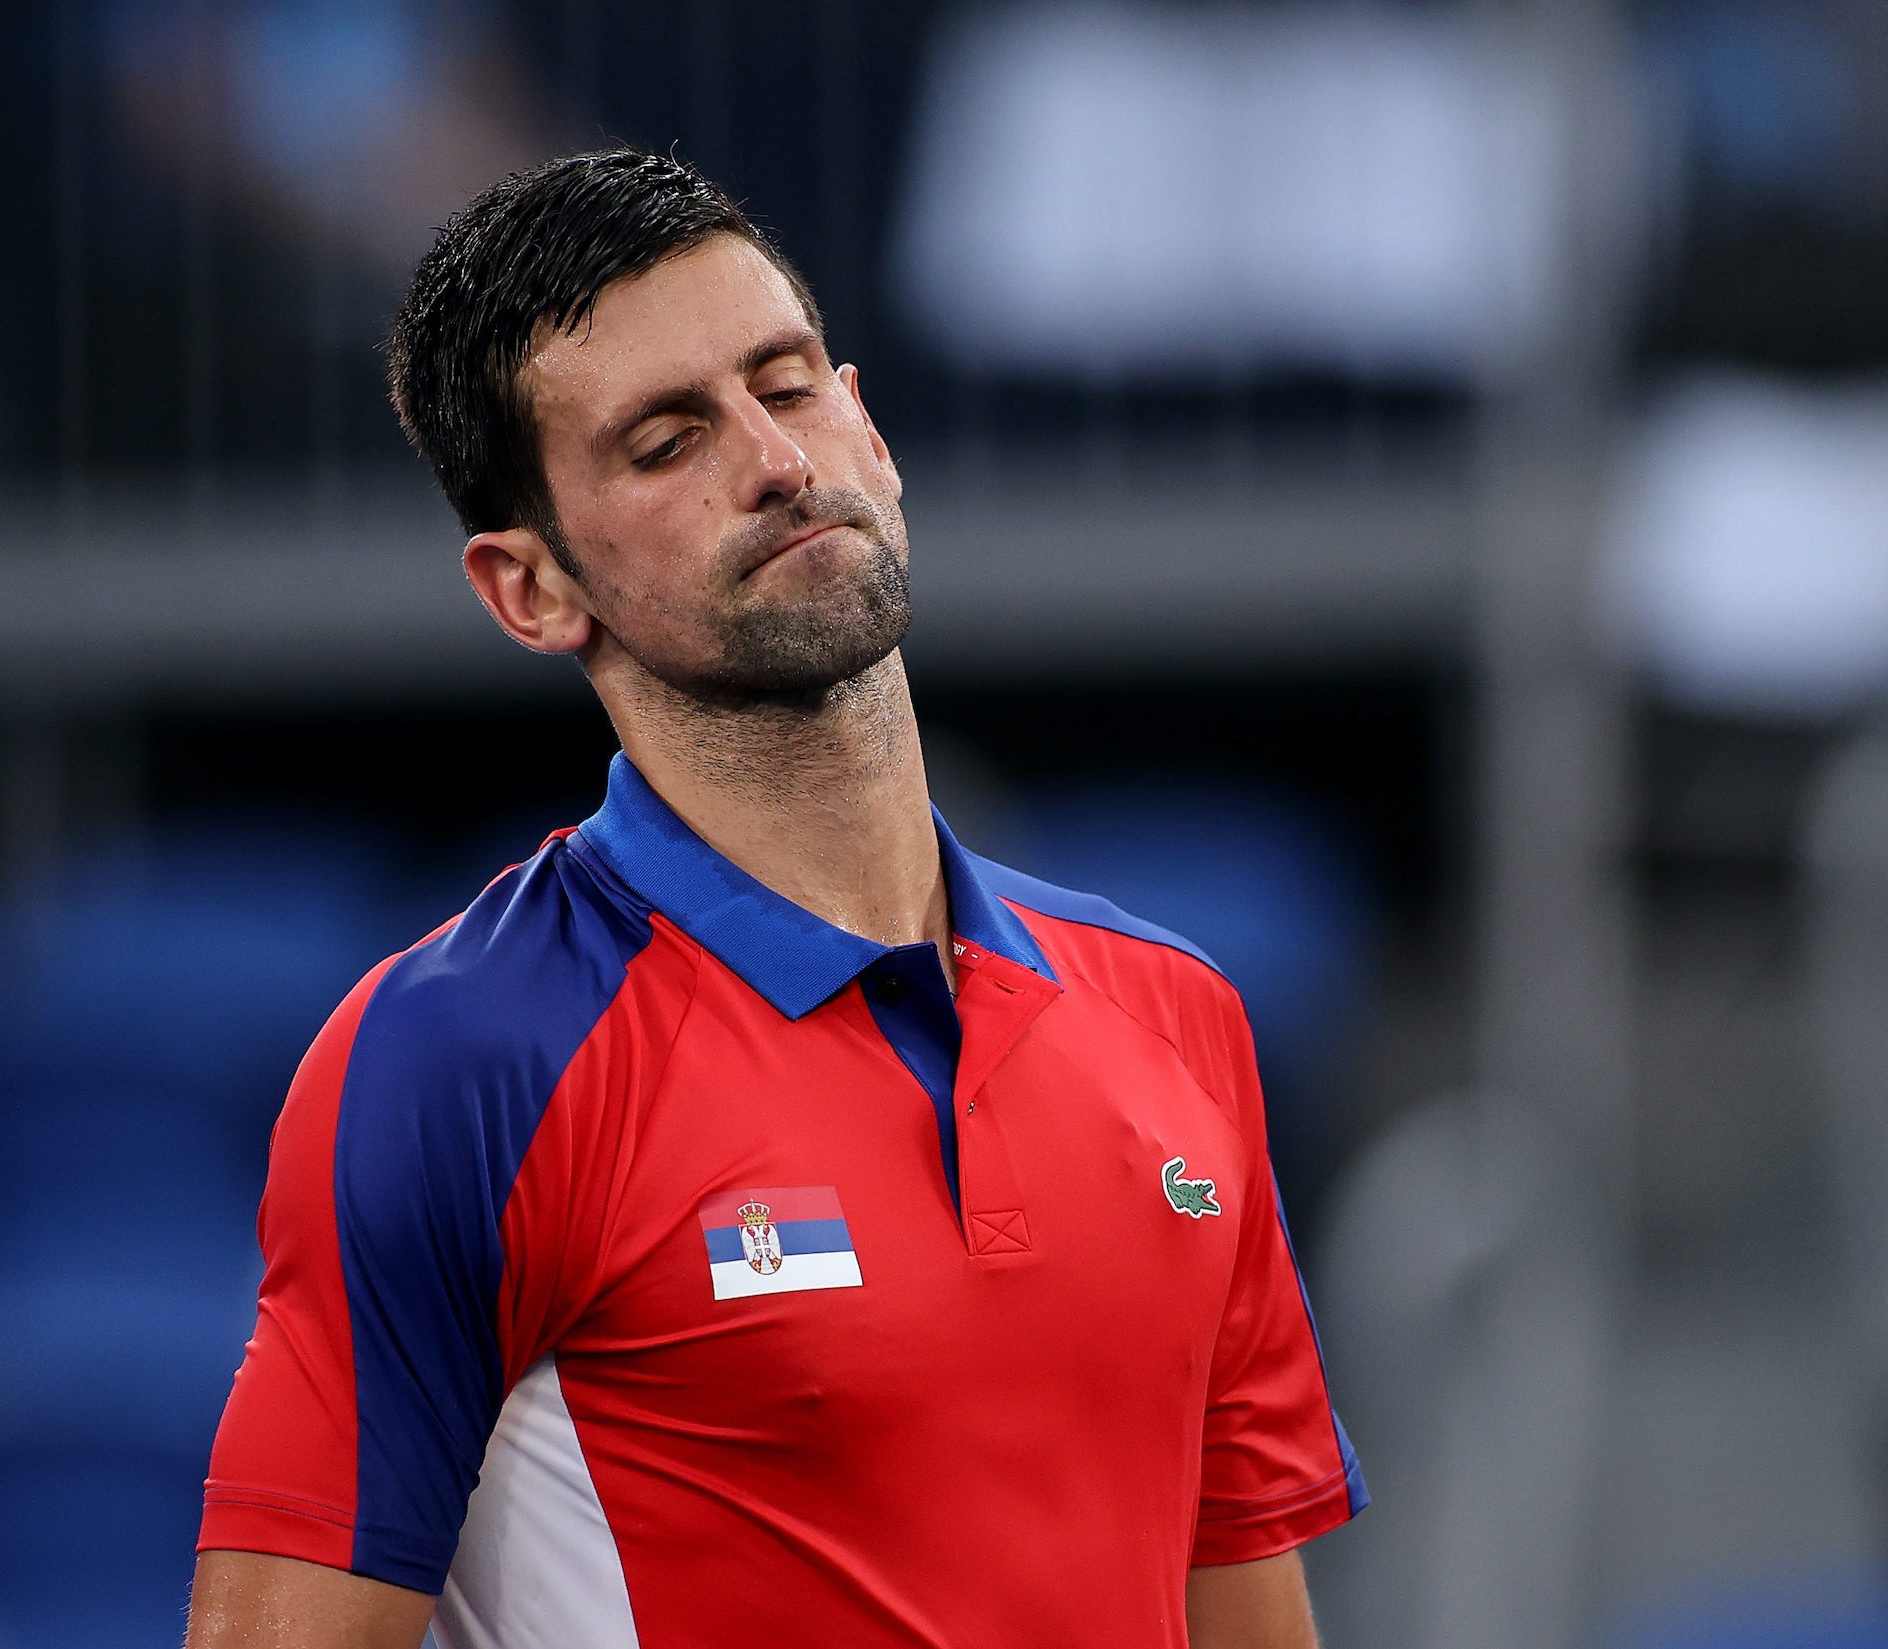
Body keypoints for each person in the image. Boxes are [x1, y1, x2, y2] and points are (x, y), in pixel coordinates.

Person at [184, 148, 1365, 1649]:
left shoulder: (1174, 1014)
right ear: (530, 590)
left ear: (868, 423)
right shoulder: (458, 1058)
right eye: (667, 440)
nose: (773, 458)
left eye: (788, 385)